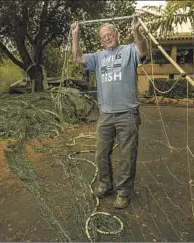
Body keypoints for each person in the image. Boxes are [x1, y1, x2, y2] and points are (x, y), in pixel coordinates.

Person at [70, 15, 147, 209]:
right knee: (101, 154)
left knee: (127, 156)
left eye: (109, 34)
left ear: (117, 34)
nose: (106, 38)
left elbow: (142, 49)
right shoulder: (98, 57)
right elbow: (77, 57)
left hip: (128, 114)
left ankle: (123, 193)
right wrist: (75, 36)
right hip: (105, 115)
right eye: (103, 36)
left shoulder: (129, 51)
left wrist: (137, 31)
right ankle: (105, 185)